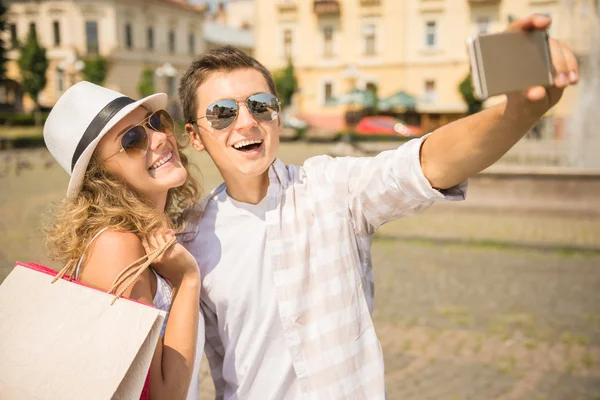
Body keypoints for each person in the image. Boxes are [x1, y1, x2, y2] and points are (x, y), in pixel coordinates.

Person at [178, 15, 579, 399]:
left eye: (261, 104)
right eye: (222, 113)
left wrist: (518, 111)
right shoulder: (190, 239)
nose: (247, 122)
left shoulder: (330, 189)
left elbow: (422, 164)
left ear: (278, 118)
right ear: (195, 137)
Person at [43, 81, 204, 400]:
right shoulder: (117, 246)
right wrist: (187, 279)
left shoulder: (146, 235)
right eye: (133, 140)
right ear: (103, 177)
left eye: (155, 121)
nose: (160, 138)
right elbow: (165, 395)